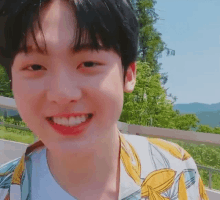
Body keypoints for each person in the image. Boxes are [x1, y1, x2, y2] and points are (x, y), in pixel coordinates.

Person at [0, 0, 209, 199]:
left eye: (89, 63)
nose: (62, 94)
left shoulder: (176, 171)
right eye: (35, 67)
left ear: (128, 74)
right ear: (12, 82)